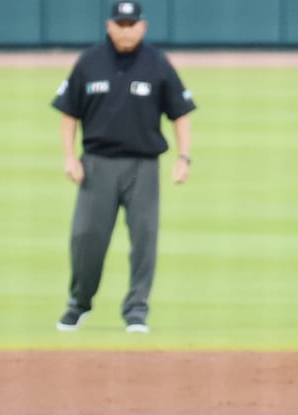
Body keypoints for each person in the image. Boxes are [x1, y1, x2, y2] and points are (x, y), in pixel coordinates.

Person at [52, 0, 196, 335]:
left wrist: (183, 157)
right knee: (86, 238)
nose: (126, 30)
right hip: (97, 165)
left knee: (144, 239)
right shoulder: (89, 63)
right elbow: (69, 113)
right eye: (121, 23)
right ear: (109, 26)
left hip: (142, 166)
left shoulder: (157, 64)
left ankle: (136, 311)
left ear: (142, 27)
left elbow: (180, 113)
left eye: (132, 24)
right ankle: (79, 304)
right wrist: (69, 157)